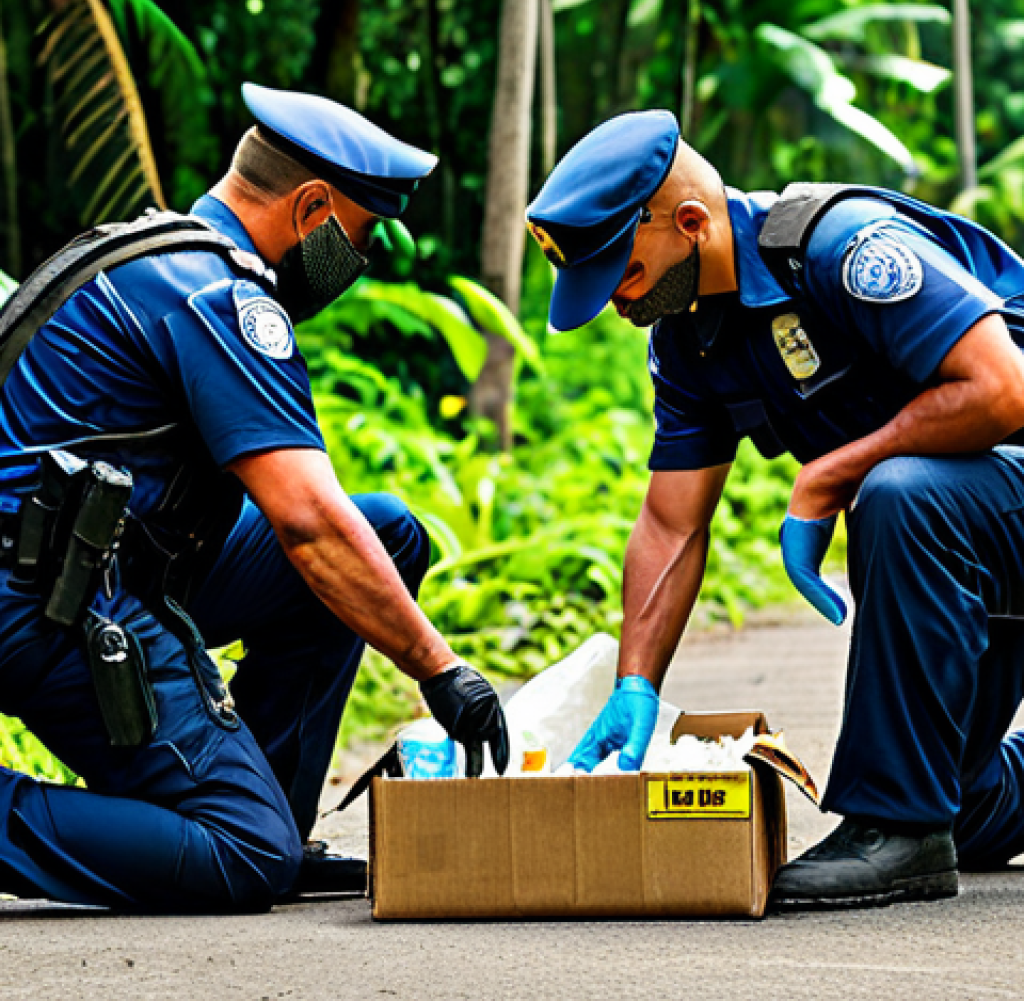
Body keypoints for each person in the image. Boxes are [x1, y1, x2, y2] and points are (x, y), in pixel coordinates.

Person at [0, 84, 508, 913]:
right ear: (312, 208)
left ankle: (266, 802)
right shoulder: (218, 297)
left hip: (99, 565)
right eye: (360, 236)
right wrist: (440, 669)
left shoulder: (158, 253)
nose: (360, 260)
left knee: (387, 532)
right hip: (44, 604)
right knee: (243, 857)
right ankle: (235, 828)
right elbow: (307, 524)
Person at [526, 109, 1024, 908]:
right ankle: (933, 809)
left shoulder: (841, 248)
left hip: (988, 496)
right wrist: (634, 684)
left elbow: (1003, 389)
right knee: (961, 796)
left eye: (622, 274)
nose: (616, 303)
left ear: (690, 223)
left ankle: (894, 830)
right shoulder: (690, 342)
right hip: (976, 536)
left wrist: (830, 475)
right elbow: (671, 523)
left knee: (898, 494)